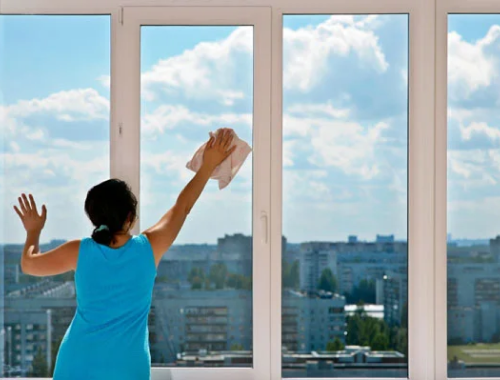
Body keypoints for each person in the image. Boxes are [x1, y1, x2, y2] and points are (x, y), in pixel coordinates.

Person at [13, 128, 236, 380]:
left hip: (77, 364)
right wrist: (207, 166)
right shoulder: (148, 248)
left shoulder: (79, 251)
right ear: (130, 217)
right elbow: (182, 207)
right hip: (128, 369)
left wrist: (33, 232)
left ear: (93, 218)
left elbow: (29, 265)